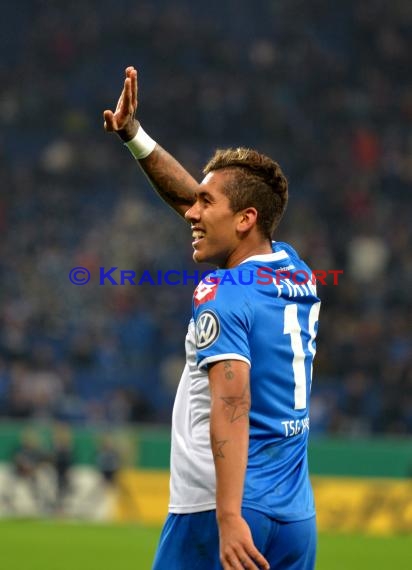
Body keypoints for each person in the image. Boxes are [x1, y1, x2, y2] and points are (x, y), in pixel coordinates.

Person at [104, 66, 320, 570]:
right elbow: (197, 202)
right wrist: (135, 137)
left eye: (207, 202)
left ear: (246, 220)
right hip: (295, 517)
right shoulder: (296, 271)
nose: (191, 213)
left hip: (219, 508)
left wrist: (226, 517)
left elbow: (232, 401)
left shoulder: (222, 294)